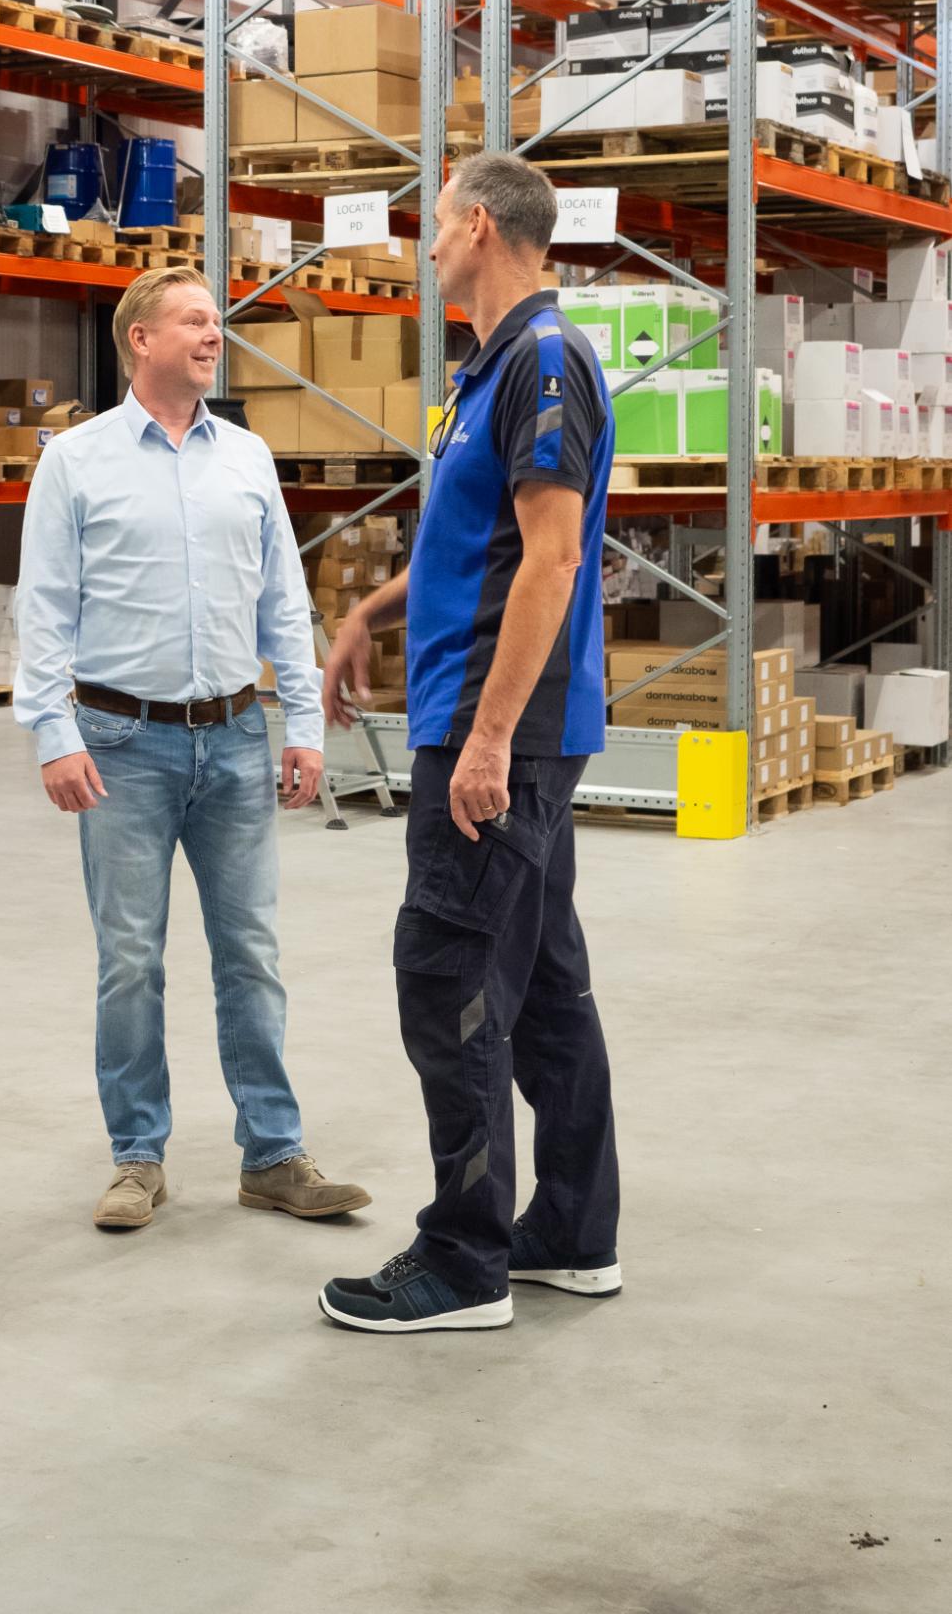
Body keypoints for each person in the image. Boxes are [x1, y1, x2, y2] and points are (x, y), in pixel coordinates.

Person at [316, 155, 620, 1333]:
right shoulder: (489, 367)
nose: (426, 240)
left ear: (480, 227)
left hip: (502, 730)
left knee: (444, 972)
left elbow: (551, 559)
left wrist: (489, 739)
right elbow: (474, 539)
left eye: (436, 221)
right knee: (542, 982)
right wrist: (367, 612)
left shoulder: (542, 360)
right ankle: (570, 1233)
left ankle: (463, 1259)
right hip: (495, 719)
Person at [14, 266, 370, 1233]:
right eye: (195, 321)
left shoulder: (246, 457)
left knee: (250, 953)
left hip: (235, 737)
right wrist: (51, 732)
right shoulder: (76, 461)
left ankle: (274, 1154)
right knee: (130, 959)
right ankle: (137, 1157)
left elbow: (281, 604)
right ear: (140, 338)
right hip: (119, 741)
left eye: (217, 322)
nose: (214, 335)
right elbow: (41, 606)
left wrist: (301, 724)